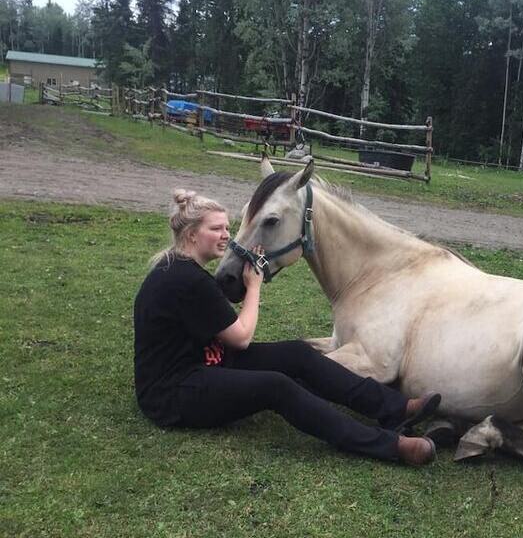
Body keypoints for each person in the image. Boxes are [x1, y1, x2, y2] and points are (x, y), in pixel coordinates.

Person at [133, 189, 440, 465]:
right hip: (173, 395)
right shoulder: (187, 281)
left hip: (207, 361)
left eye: (227, 227)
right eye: (216, 229)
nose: (226, 236)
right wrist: (254, 287)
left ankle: (397, 409)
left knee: (298, 354)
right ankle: (389, 446)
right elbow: (240, 338)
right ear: (191, 235)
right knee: (275, 386)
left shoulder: (180, 270)